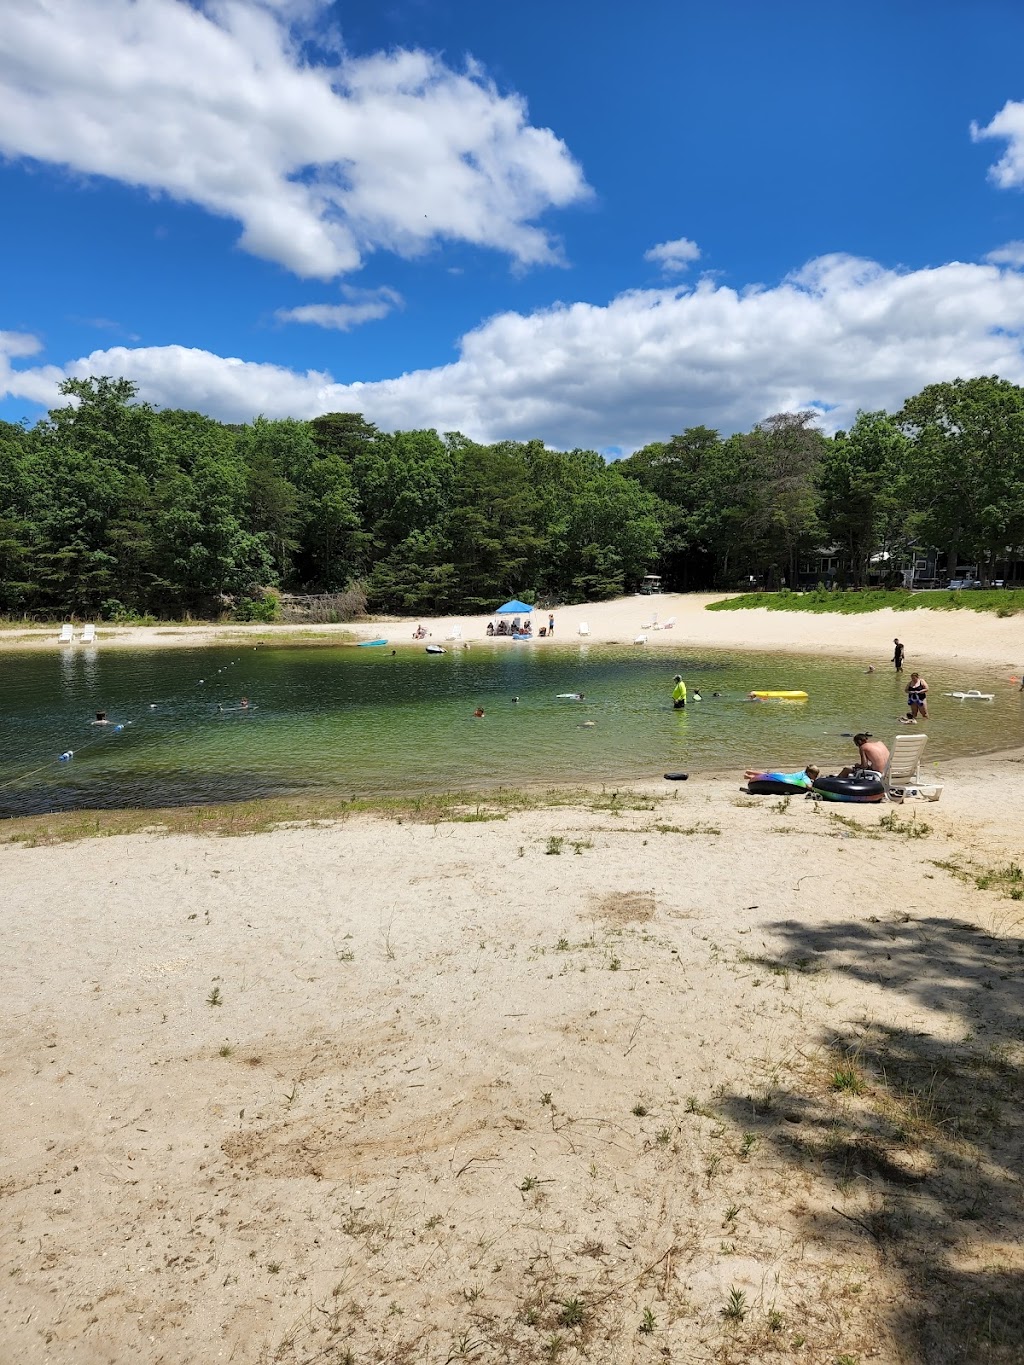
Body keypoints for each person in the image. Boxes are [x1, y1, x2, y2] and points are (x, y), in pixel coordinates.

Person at [745, 764, 819, 788]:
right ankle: (748, 776)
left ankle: (749, 772)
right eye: (815, 775)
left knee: (765, 775)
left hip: (783, 775)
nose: (816, 777)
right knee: (766, 778)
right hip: (784, 779)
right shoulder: (806, 777)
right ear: (809, 773)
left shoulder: (803, 772)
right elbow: (809, 786)